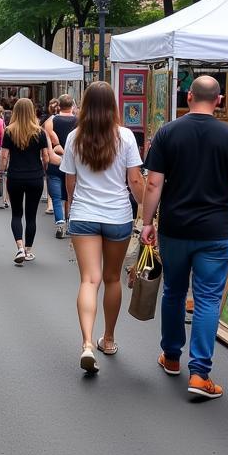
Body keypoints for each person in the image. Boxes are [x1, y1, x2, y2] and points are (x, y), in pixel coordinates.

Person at [141, 75, 228, 400]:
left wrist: (147, 222)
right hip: (215, 231)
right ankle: (200, 374)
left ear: (189, 97)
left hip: (174, 229)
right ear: (219, 101)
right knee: (206, 299)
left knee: (173, 291)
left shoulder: (167, 133)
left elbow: (153, 184)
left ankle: (171, 356)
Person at [61, 82, 145, 372]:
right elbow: (134, 180)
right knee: (111, 279)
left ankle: (86, 344)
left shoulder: (74, 137)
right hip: (118, 216)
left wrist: (72, 206)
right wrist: (147, 210)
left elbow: (69, 180)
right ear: (113, 105)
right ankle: (108, 339)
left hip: (84, 214)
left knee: (89, 280)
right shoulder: (125, 137)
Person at [0, 97, 51, 264]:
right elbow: (46, 156)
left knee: (16, 213)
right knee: (31, 215)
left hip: (15, 176)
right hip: (34, 176)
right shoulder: (39, 132)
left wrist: (1, 171)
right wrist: (44, 170)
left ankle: (19, 247)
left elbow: (4, 156)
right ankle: (28, 250)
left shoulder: (9, 131)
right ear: (32, 111)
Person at [44, 94, 78, 236]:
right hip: (74, 163)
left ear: (59, 105)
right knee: (72, 195)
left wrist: (47, 159)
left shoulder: (51, 121)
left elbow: (46, 142)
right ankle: (70, 221)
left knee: (57, 197)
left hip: (55, 161)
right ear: (72, 106)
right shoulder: (79, 121)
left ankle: (60, 223)